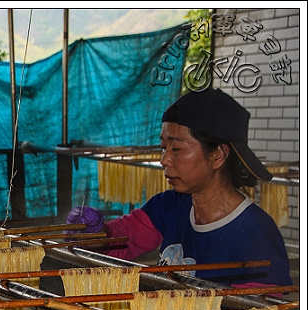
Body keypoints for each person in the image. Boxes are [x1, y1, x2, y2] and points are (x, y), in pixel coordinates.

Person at [65, 88, 292, 288]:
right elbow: (124, 238)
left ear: (218, 156)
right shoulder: (171, 205)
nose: (164, 160)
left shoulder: (256, 235)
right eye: (164, 147)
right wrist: (96, 234)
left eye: (177, 149)